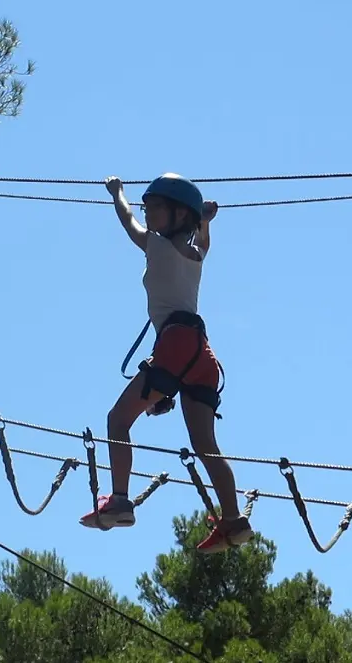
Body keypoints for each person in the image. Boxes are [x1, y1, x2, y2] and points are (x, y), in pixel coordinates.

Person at [79, 172, 253, 553]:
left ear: (177, 215)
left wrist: (117, 193)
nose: (148, 212)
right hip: (202, 353)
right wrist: (204, 222)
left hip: (175, 343)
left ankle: (120, 501)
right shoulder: (195, 255)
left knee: (118, 420)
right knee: (205, 443)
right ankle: (233, 521)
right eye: (148, 207)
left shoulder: (156, 246)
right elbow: (204, 241)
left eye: (156, 207)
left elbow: (128, 222)